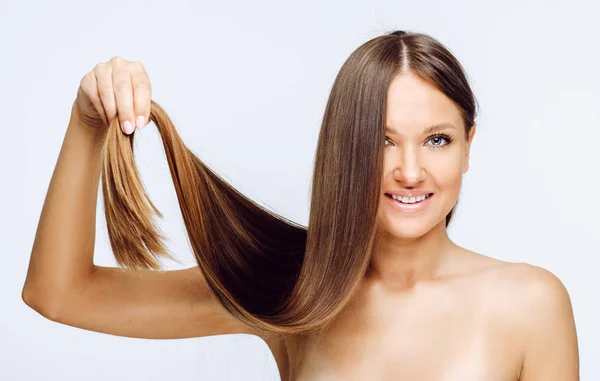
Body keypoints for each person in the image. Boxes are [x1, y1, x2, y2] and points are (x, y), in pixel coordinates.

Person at [22, 30, 579, 380]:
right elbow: (60, 294)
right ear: (344, 150)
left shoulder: (530, 303)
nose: (411, 170)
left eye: (437, 139)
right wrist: (86, 123)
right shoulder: (297, 290)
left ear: (468, 147)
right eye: (381, 140)